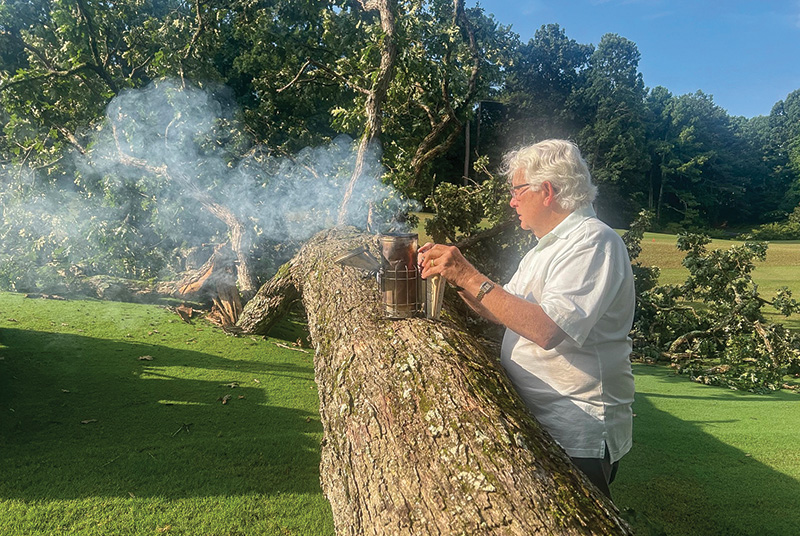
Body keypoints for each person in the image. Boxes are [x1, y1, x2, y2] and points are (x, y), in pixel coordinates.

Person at [418, 139, 635, 499]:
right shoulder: (547, 246)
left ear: (547, 191)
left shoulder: (594, 242)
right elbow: (500, 310)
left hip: (576, 428)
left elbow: (547, 329)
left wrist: (468, 274)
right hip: (541, 419)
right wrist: (453, 277)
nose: (511, 201)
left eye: (517, 191)